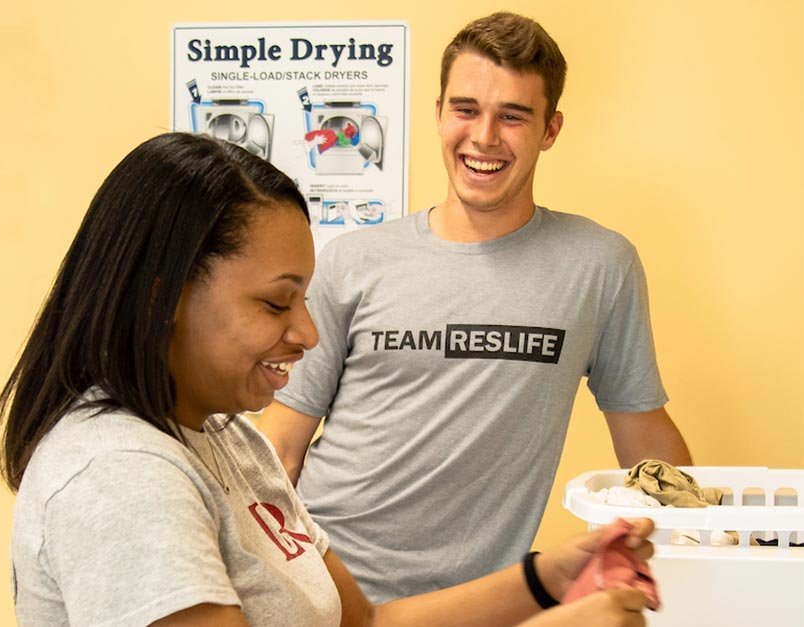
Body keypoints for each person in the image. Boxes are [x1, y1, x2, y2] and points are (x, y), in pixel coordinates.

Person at [0, 131, 656, 626]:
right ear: (165, 298)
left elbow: (365, 624)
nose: (308, 334)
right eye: (277, 302)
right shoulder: (119, 474)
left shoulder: (228, 439)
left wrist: (547, 578)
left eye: (305, 299)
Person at [257, 11, 693, 604]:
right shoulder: (353, 260)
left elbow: (642, 433)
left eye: (513, 116)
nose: (484, 136)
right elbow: (281, 445)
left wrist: (703, 541)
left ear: (550, 129)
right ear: (439, 112)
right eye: (466, 109)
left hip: (480, 603)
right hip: (324, 587)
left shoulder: (600, 265)